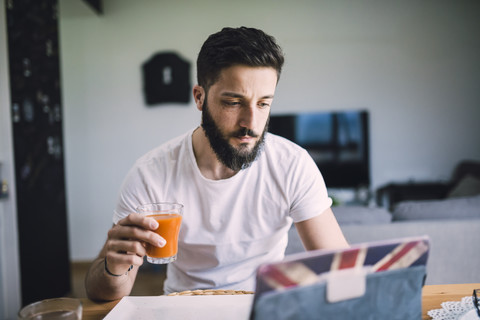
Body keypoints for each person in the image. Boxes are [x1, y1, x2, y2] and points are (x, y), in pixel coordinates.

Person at [85, 26, 349, 301]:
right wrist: (113, 268)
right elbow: (101, 292)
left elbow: (340, 267)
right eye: (234, 102)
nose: (251, 123)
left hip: (261, 304)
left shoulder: (292, 165)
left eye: (263, 104)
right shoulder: (150, 173)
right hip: (183, 307)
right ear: (199, 97)